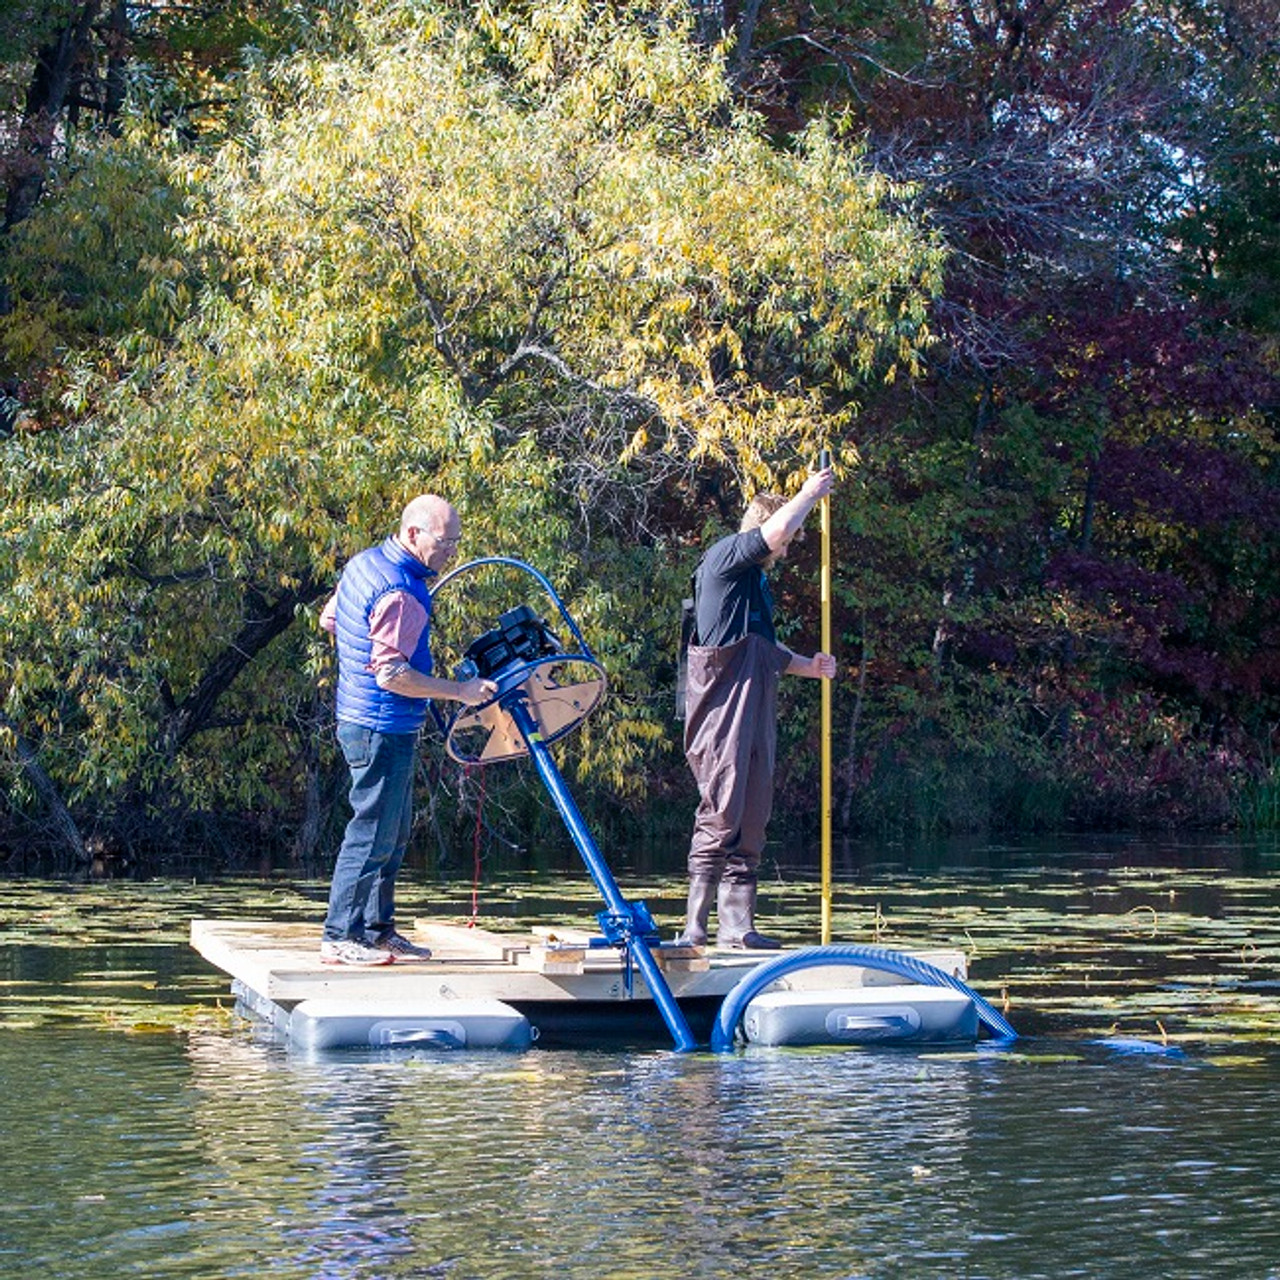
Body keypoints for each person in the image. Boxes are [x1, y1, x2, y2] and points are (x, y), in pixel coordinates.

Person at [317, 494, 497, 966]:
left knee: (392, 833)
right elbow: (391, 674)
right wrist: (459, 692)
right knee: (372, 832)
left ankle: (378, 930)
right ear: (414, 533)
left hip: (359, 719)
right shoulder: (403, 592)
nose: (450, 552)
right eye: (445, 542)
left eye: (456, 542)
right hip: (381, 726)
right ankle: (340, 937)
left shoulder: (364, 564)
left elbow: (331, 619)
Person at [678, 466, 837, 949]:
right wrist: (810, 492)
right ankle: (694, 927)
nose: (787, 551)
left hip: (756, 706)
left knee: (753, 812)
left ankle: (738, 927)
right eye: (786, 545)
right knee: (721, 810)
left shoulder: (758, 590)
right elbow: (778, 530)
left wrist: (810, 666)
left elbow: (764, 651)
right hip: (720, 711)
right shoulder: (725, 558)